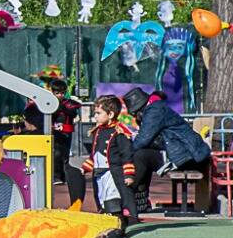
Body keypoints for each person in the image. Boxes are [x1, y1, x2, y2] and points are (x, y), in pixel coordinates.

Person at [123, 86, 215, 217]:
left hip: (189, 157)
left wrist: (125, 153)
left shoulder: (154, 111)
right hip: (188, 154)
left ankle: (127, 199)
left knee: (140, 156)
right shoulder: (156, 107)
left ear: (138, 109)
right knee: (143, 156)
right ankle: (140, 202)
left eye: (134, 114)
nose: (134, 117)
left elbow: (143, 140)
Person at [22, 70, 87, 208]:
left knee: (63, 156)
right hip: (51, 134)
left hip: (65, 134)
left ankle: (60, 176)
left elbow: (73, 110)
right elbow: (33, 111)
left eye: (62, 93)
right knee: (54, 153)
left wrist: (59, 106)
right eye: (57, 93)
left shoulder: (68, 103)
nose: (59, 95)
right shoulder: (44, 102)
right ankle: (54, 175)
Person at [83, 96, 133, 229]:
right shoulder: (98, 131)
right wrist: (86, 168)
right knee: (102, 200)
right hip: (99, 174)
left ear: (110, 114)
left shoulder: (119, 132)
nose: (95, 116)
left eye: (98, 113)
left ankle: (119, 227)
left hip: (112, 173)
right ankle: (108, 226)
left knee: (113, 200)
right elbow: (95, 153)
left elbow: (126, 154)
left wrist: (128, 174)